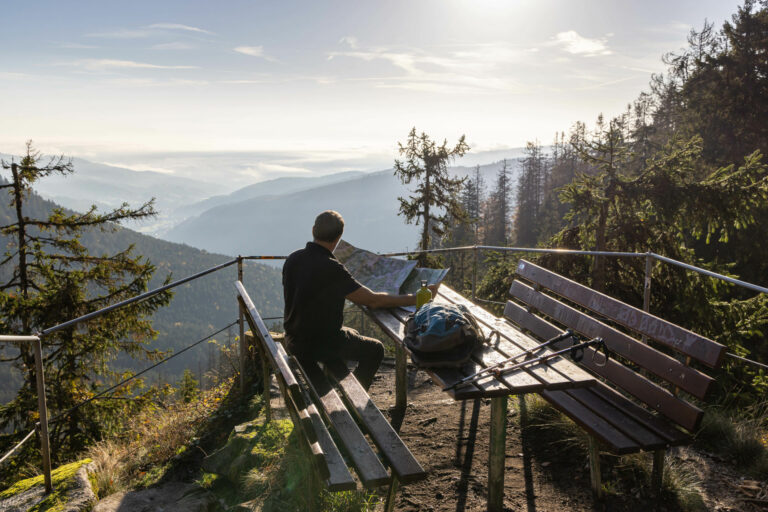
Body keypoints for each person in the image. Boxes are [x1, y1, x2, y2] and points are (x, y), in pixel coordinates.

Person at [283, 210, 437, 390]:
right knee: (376, 349)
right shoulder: (331, 268)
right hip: (319, 344)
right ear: (339, 237)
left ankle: (340, 385)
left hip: (294, 338)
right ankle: (355, 395)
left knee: (353, 333)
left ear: (313, 230)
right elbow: (373, 301)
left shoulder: (294, 258)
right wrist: (417, 298)